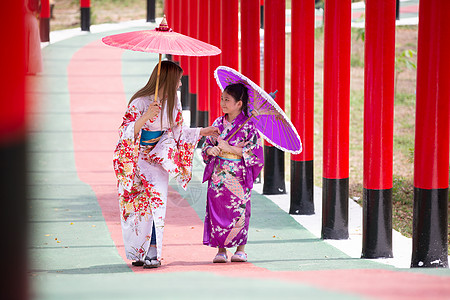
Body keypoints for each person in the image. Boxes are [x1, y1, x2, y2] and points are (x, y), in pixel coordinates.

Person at [113, 60, 219, 268]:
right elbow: (125, 134)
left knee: (155, 206)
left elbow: (179, 134)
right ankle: (139, 251)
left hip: (157, 161)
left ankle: (153, 251)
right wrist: (145, 117)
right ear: (169, 80)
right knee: (136, 208)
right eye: (178, 80)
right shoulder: (140, 102)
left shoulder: (174, 103)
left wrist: (202, 131)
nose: (180, 85)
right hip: (136, 158)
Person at [201, 83, 264, 263]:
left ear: (239, 103)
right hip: (218, 175)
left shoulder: (250, 127)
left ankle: (240, 249)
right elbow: (206, 147)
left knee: (239, 211)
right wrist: (210, 151)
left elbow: (256, 154)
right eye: (222, 99)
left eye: (227, 100)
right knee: (217, 210)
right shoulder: (217, 124)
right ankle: (221, 249)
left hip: (238, 175)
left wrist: (230, 148)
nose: (223, 103)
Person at [24, 0, 42, 75]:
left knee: (24, 46)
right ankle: (33, 68)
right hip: (33, 20)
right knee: (33, 46)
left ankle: (25, 67)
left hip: (24, 19)